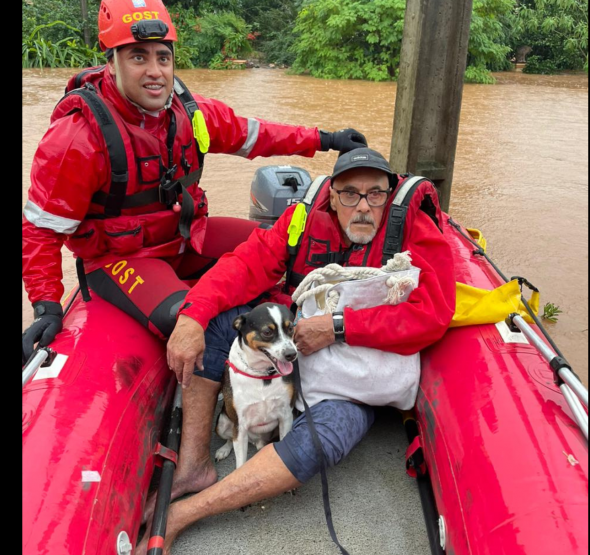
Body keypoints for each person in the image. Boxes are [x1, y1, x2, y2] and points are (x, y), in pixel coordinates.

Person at [22, 0, 367, 362]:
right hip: (121, 259)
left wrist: (325, 139)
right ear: (112, 62)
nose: (155, 71)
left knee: (292, 248)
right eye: (138, 57)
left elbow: (255, 135)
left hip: (187, 238)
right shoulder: (77, 138)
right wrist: (47, 305)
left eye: (163, 57)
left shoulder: (188, 112)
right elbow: (41, 230)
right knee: (186, 318)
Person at [160, 147, 456, 552]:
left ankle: (185, 513)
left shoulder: (414, 227)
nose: (364, 206)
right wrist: (193, 314)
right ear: (332, 197)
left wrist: (338, 327)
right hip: (292, 342)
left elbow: (433, 315)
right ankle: (195, 463)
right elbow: (248, 263)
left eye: (376, 194)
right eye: (350, 194)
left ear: (390, 193)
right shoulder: (302, 217)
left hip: (354, 378)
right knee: (214, 320)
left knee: (324, 439)